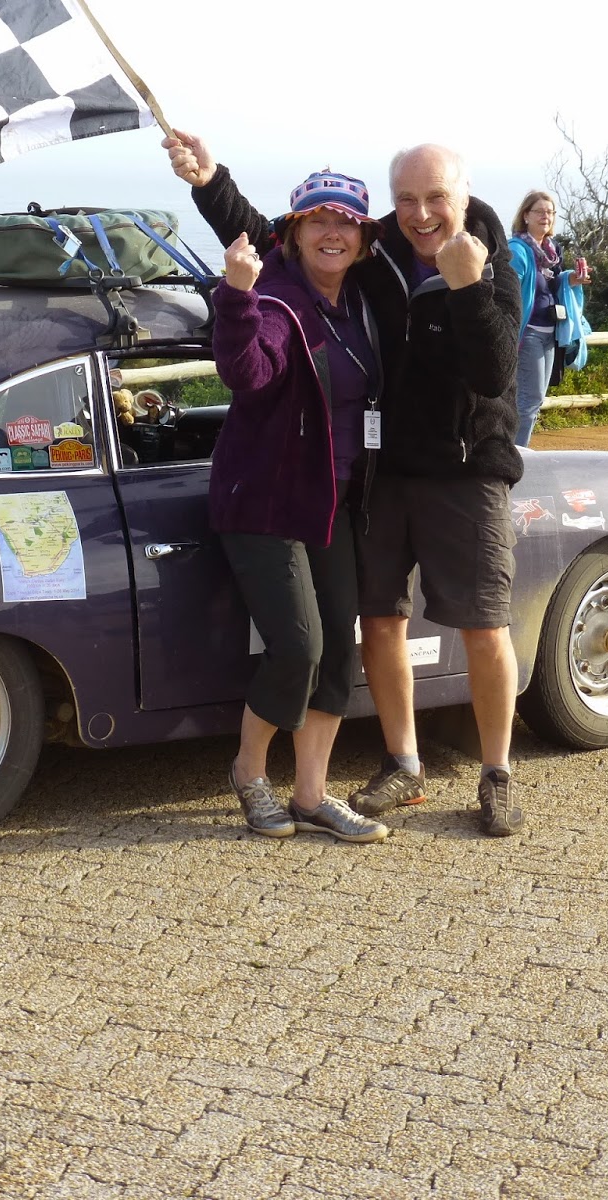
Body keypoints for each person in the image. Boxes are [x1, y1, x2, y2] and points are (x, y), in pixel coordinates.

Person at [166, 130, 528, 837]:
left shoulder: (487, 256)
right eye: (406, 201)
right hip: (354, 481)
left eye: (437, 199)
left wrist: (466, 284)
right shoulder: (354, 263)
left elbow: (494, 371)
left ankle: (494, 775)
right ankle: (393, 765)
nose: (422, 214)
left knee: (473, 626)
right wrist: (210, 181)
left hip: (456, 470)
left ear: (462, 197)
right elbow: (276, 254)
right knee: (370, 627)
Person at [210, 171, 390, 844]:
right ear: (292, 231)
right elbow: (249, 372)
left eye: (347, 222)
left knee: (340, 656)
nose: (333, 232)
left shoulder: (359, 305)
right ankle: (250, 773)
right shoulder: (278, 304)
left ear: (365, 239)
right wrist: (235, 297)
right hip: (266, 500)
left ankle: (312, 794)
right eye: (318, 220)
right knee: (299, 647)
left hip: (334, 501)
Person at [507, 190, 591, 446]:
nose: (546, 216)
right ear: (526, 215)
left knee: (535, 401)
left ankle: (517, 453)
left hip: (550, 333)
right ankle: (515, 456)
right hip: (529, 333)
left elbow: (552, 287)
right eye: (540, 211)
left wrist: (570, 278)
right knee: (528, 402)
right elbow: (510, 292)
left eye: (550, 212)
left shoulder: (552, 251)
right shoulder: (518, 250)